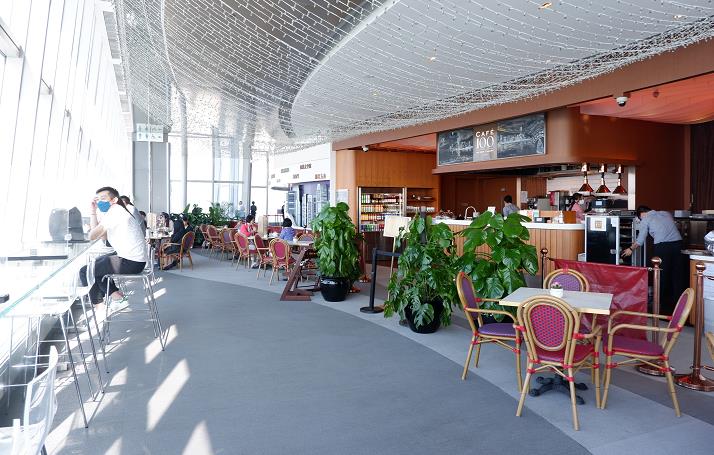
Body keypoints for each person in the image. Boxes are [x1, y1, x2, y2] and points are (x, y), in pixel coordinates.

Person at [80, 186, 147, 312]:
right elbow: (103, 236)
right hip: (134, 260)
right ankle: (117, 297)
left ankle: (100, 307)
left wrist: (93, 213)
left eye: (103, 198)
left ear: (114, 200)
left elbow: (92, 235)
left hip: (131, 262)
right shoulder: (118, 211)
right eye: (98, 199)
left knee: (85, 271)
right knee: (96, 265)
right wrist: (93, 211)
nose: (100, 202)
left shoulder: (115, 212)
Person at [622, 206, 683, 314]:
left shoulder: (646, 219)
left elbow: (640, 240)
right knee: (676, 275)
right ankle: (679, 304)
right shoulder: (666, 213)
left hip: (663, 247)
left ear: (642, 214)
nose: (641, 220)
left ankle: (661, 306)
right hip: (678, 244)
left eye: (640, 218)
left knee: (661, 275)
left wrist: (630, 249)